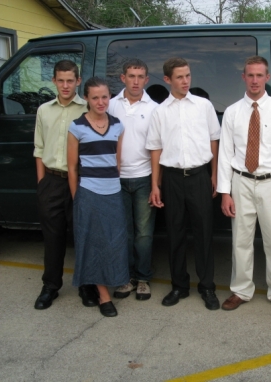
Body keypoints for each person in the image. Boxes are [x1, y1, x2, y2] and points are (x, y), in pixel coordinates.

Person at [217, 55, 271, 314]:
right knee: (240, 240)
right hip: (241, 181)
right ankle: (241, 290)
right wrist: (225, 192)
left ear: (267, 77)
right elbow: (224, 154)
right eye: (250, 75)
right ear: (244, 77)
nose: (255, 80)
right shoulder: (232, 111)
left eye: (259, 75)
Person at [146, 57, 221, 311]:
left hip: (200, 176)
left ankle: (207, 286)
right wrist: (156, 184)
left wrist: (214, 175)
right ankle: (179, 285)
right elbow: (155, 149)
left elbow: (214, 141)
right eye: (179, 77)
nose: (185, 81)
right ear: (167, 79)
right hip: (173, 179)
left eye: (188, 75)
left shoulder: (203, 106)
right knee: (175, 233)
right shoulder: (160, 112)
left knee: (203, 233)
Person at [33, 60, 98, 310]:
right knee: (53, 237)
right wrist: (42, 183)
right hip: (51, 181)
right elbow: (38, 149)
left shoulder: (86, 109)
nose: (65, 85)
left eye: (70, 80)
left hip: (80, 180)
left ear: (78, 81)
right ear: (53, 81)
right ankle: (50, 286)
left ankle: (86, 285)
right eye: (60, 80)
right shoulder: (44, 111)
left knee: (82, 235)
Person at [67, 77, 129, 317]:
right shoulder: (77, 127)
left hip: (113, 193)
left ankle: (106, 281)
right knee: (94, 243)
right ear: (86, 99)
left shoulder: (117, 126)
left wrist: (113, 182)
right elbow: (72, 167)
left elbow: (117, 162)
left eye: (105, 97)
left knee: (113, 243)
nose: (101, 102)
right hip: (89, 193)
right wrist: (78, 198)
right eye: (95, 97)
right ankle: (104, 296)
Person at [108, 59, 158, 301]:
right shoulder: (110, 105)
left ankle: (143, 278)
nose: (136, 81)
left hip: (143, 178)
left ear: (146, 80)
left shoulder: (154, 108)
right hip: (116, 180)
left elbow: (157, 149)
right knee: (122, 232)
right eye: (131, 76)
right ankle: (125, 278)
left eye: (140, 76)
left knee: (144, 234)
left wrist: (156, 185)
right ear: (123, 78)